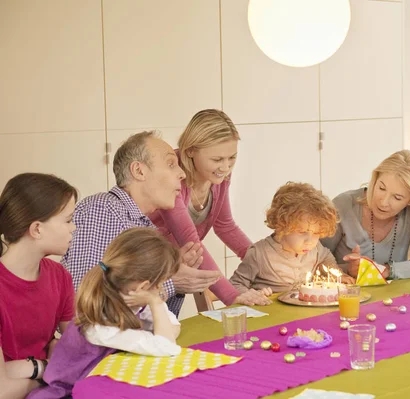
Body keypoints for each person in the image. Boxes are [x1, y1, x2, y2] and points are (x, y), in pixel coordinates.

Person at [62, 131, 218, 316]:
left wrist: (168, 273)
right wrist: (170, 281)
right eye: (171, 164)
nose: (182, 174)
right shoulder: (103, 209)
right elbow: (85, 306)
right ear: (139, 171)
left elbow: (152, 319)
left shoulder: (147, 228)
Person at [29, 228, 181, 399]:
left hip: (101, 385)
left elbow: (173, 329)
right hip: (69, 393)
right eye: (161, 283)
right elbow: (168, 346)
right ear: (143, 287)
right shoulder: (100, 324)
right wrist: (156, 303)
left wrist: (155, 305)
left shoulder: (133, 302)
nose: (161, 290)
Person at [151, 109, 271, 307]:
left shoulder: (219, 176)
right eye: (217, 160)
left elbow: (225, 225)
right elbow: (190, 239)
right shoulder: (172, 175)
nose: (226, 167)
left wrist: (263, 263)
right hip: (150, 274)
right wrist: (232, 295)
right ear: (190, 150)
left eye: (232, 157)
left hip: (179, 269)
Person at [0, 173, 77, 399]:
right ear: (37, 229)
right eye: (68, 219)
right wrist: (45, 370)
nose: (73, 228)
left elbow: (75, 349)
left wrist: (34, 367)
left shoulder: (59, 276)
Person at [321, 150, 410, 279]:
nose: (383, 202)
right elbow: (312, 259)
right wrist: (346, 269)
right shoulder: (343, 205)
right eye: (381, 188)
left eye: (397, 197)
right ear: (375, 179)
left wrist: (388, 270)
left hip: (394, 297)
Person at [230, 182, 354, 293]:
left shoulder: (315, 249)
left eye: (316, 233)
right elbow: (235, 285)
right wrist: (251, 295)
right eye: (301, 232)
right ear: (281, 225)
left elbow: (325, 257)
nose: (310, 241)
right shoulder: (259, 254)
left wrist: (337, 274)